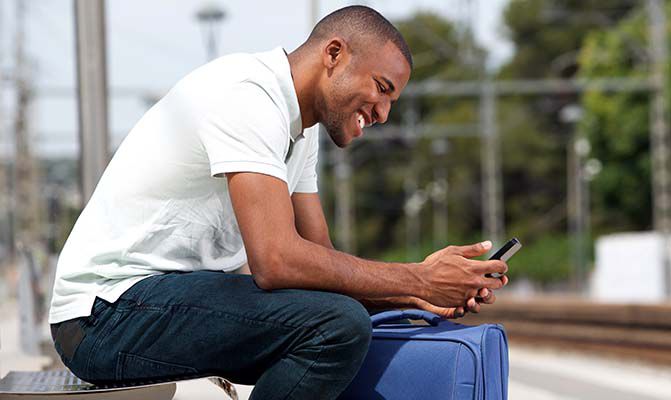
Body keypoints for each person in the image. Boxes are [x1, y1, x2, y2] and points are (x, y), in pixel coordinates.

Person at [48, 5, 508, 400]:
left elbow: (322, 266)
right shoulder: (248, 96)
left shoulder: (299, 129)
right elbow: (276, 262)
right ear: (334, 55)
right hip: (103, 316)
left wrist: (412, 296)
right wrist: (421, 280)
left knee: (341, 321)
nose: (384, 114)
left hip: (153, 306)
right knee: (337, 328)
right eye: (382, 89)